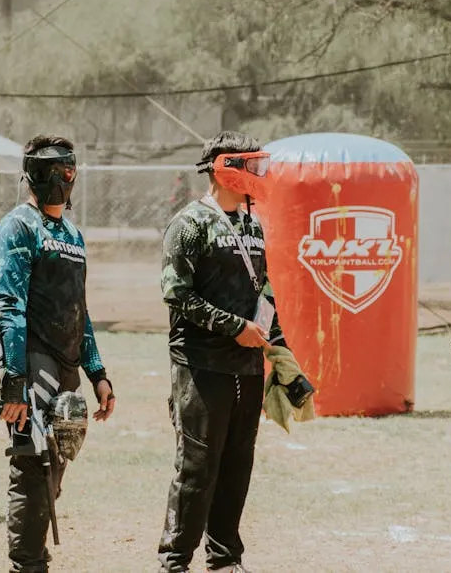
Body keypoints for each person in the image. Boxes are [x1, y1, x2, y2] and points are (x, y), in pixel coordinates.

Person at [156, 130, 284, 573]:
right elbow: (176, 295)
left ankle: (225, 560)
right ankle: (174, 562)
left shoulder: (252, 225)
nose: (258, 174)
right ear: (224, 167)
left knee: (236, 466)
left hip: (246, 367)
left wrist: (282, 356)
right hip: (200, 365)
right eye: (251, 165)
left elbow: (263, 291)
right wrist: (234, 329)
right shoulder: (190, 224)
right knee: (197, 469)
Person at [0, 134, 117, 573]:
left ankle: (34, 551)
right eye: (51, 173)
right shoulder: (18, 226)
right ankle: (26, 564)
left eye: (67, 172)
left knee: (58, 459)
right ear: (31, 176)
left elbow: (78, 308)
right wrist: (14, 379)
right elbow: (8, 305)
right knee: (33, 461)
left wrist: (97, 372)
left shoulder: (72, 234)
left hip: (66, 365)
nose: (61, 181)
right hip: (32, 360)